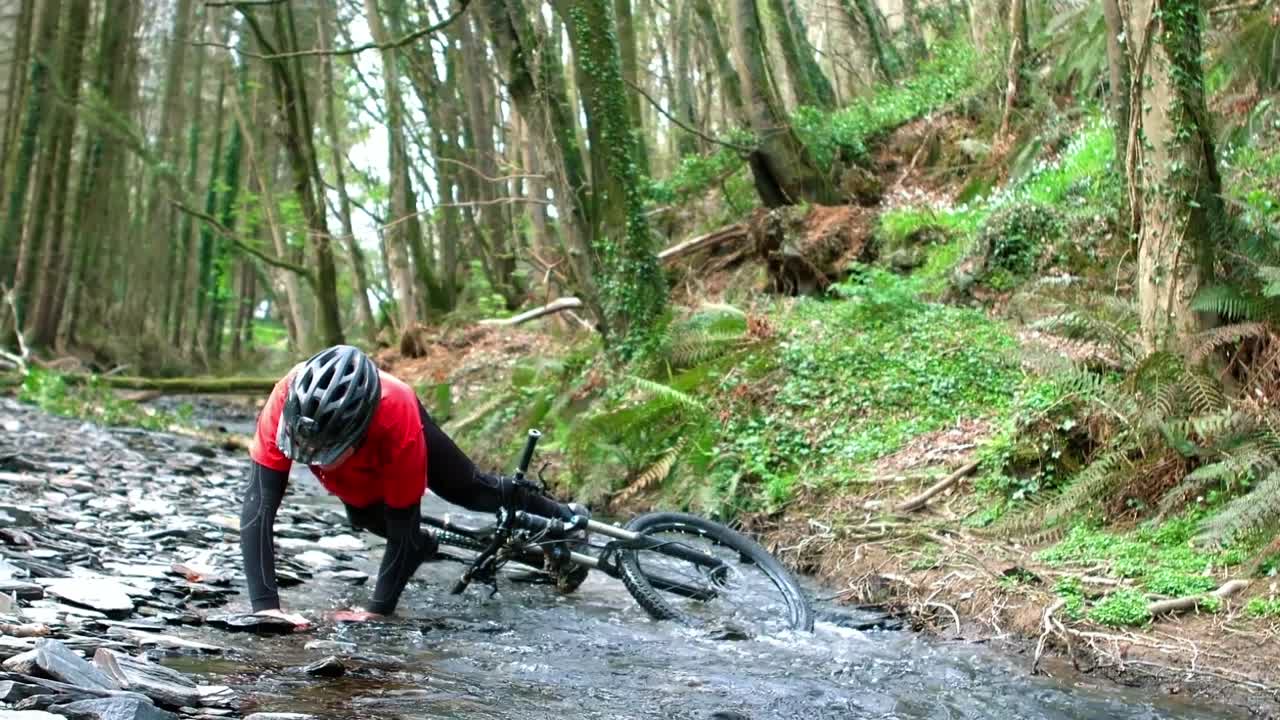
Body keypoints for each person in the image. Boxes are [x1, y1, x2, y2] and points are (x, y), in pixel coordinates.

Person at [239, 344, 587, 627]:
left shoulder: (395, 412)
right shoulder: (285, 399)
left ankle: (563, 517)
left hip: (397, 428)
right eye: (307, 449)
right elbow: (259, 507)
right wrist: (266, 608)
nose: (314, 459)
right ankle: (421, 549)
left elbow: (404, 522)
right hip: (348, 443)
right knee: (364, 518)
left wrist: (377, 610)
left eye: (324, 452)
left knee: (469, 490)